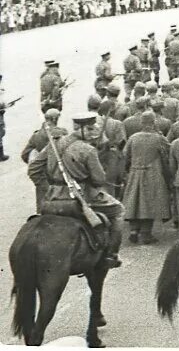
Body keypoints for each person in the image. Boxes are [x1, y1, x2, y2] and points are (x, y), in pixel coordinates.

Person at [27, 111, 124, 269]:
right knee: (119, 211)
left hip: (53, 197)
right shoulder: (88, 150)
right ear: (80, 128)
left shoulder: (53, 144)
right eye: (90, 129)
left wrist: (50, 189)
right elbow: (99, 180)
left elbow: (33, 169)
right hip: (83, 197)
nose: (92, 133)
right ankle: (111, 255)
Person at [121, 111, 172, 244]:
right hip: (152, 173)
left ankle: (133, 230)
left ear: (141, 123)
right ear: (154, 122)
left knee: (134, 201)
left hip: (135, 172)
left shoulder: (133, 138)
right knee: (149, 202)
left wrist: (127, 170)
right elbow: (168, 152)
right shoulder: (158, 138)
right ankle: (145, 233)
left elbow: (125, 155)